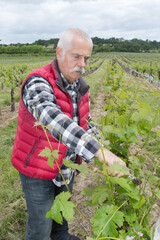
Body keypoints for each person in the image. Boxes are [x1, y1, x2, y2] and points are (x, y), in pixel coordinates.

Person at [11, 28, 126, 240]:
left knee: (61, 220)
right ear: (59, 52)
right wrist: (96, 152)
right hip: (38, 169)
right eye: (76, 56)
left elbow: (84, 121)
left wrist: (101, 150)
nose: (82, 64)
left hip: (66, 168)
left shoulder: (79, 86)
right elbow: (52, 118)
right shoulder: (37, 82)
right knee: (40, 228)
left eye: (86, 58)